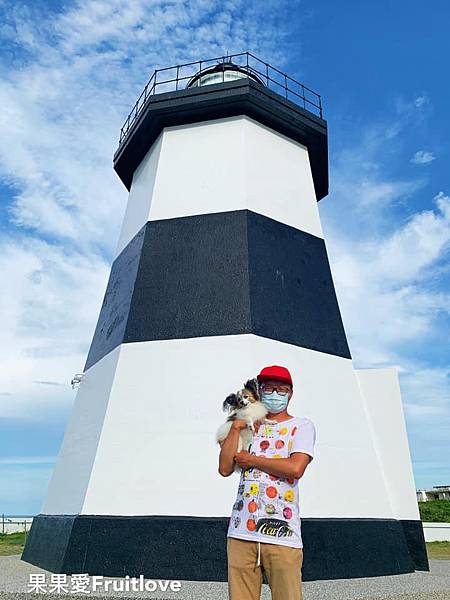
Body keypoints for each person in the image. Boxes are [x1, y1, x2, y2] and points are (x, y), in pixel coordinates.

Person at [218, 365, 316, 600]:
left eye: (281, 389)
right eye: (269, 388)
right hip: (241, 532)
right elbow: (224, 468)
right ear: (259, 392)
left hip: (283, 531)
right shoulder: (248, 427)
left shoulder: (301, 426)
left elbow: (296, 468)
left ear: (290, 394)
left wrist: (251, 459)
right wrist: (237, 426)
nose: (275, 394)